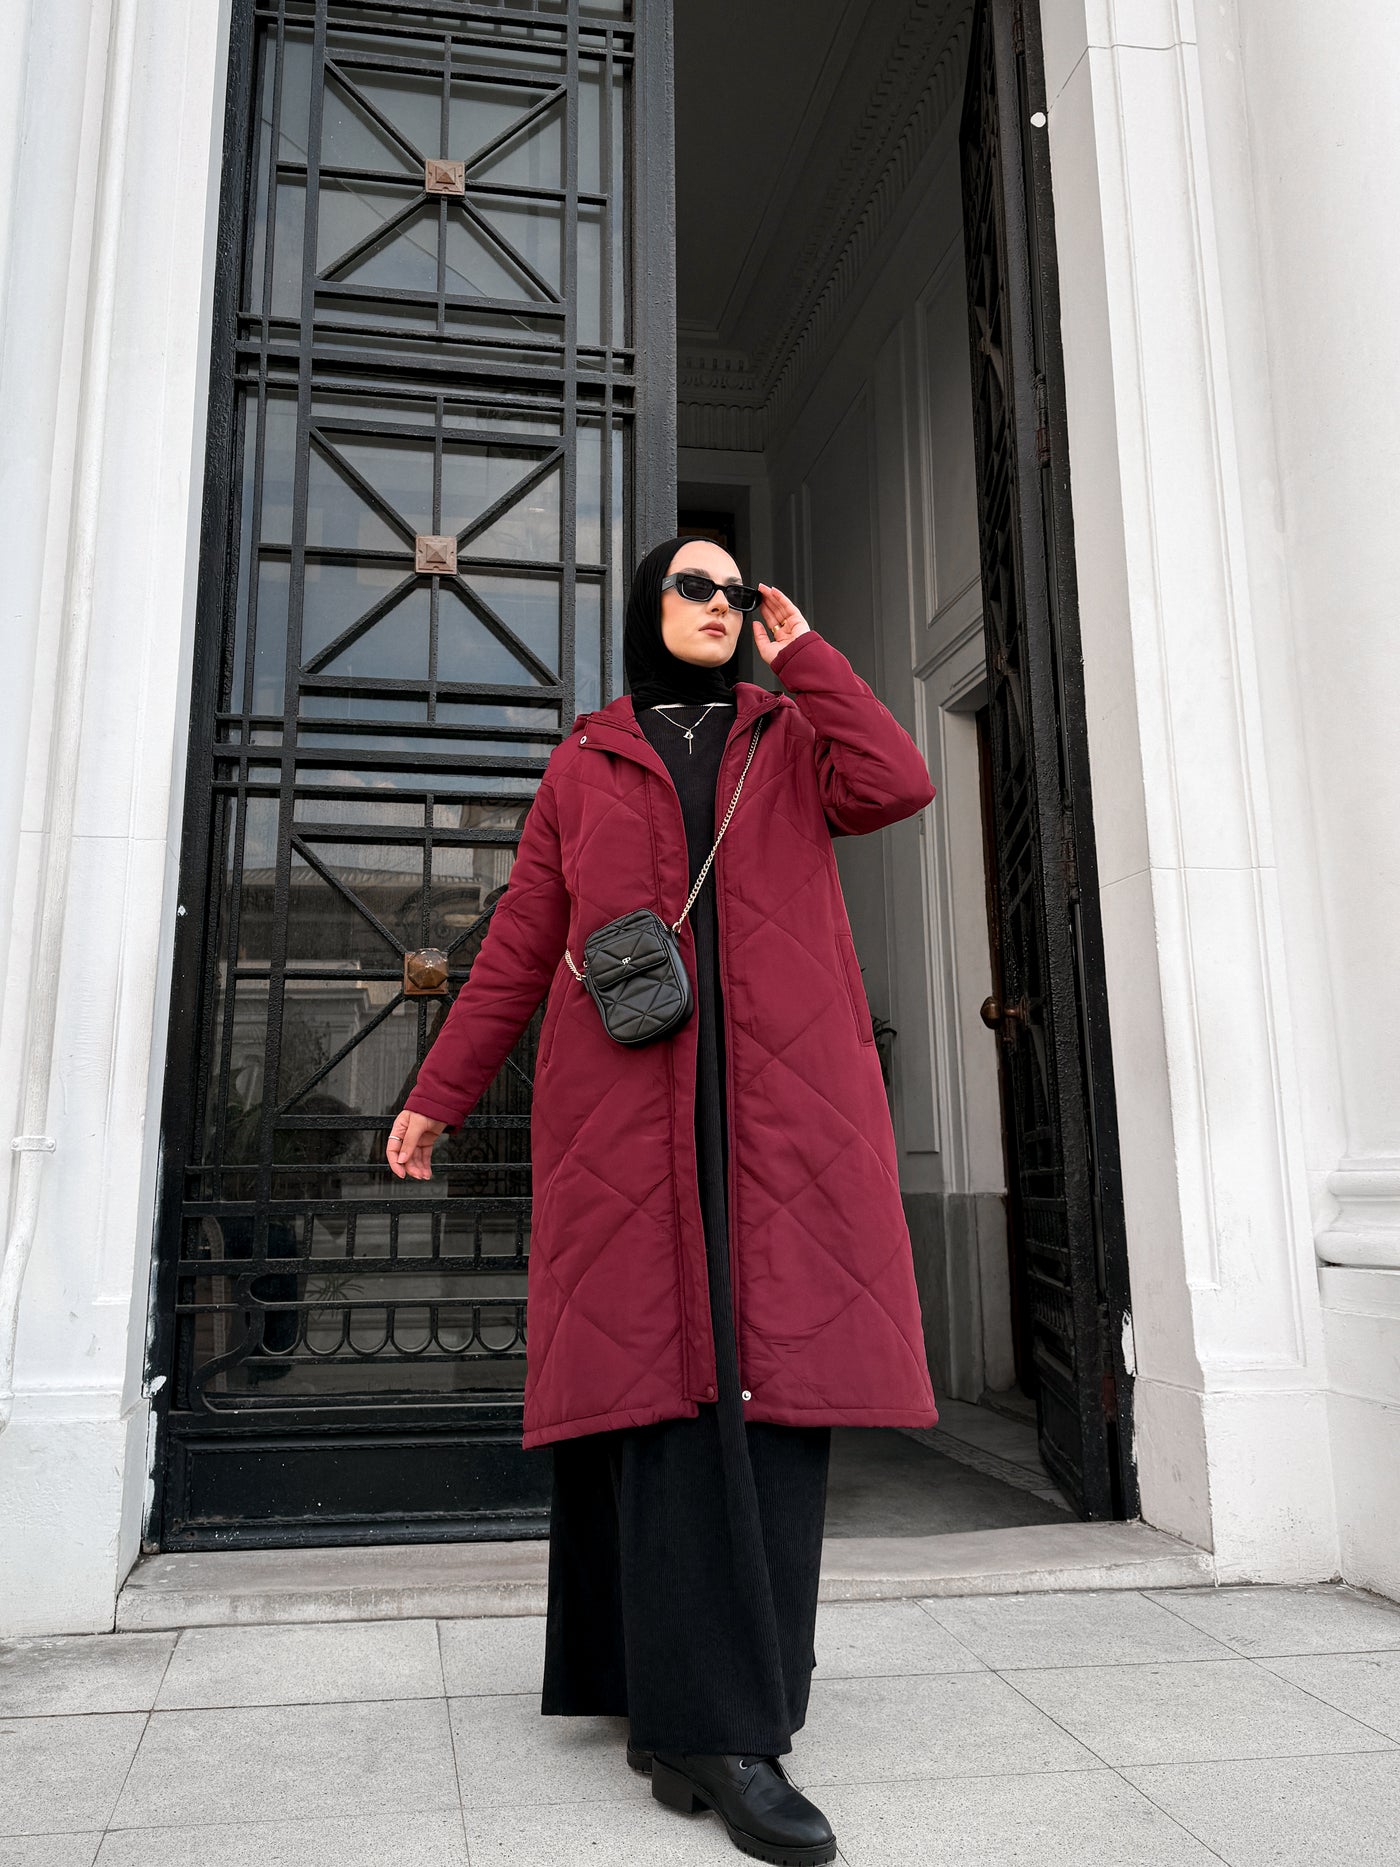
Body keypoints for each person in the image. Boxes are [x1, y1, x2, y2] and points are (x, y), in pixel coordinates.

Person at [387, 536, 939, 1866]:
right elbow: (522, 942)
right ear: (648, 606)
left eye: (735, 591)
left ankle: (728, 1719)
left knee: (772, 1400)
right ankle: (684, 1714)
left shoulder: (792, 737)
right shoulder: (586, 761)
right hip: (629, 1122)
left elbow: (898, 782)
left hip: (780, 1121)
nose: (719, 605)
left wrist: (804, 655)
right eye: (694, 586)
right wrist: (439, 1093)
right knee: (655, 1403)